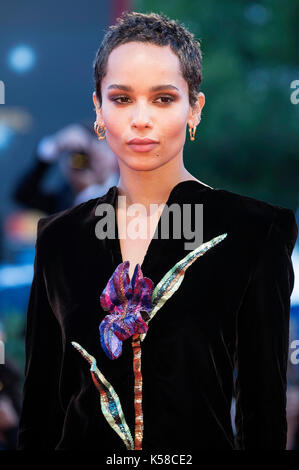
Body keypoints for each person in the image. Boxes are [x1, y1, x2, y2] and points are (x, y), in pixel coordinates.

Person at [17, 11, 298, 451]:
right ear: (98, 107)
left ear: (195, 108)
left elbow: (262, 413)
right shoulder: (60, 237)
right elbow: (40, 412)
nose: (141, 119)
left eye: (163, 98)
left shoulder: (254, 231)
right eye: (122, 98)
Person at [13, 123, 119, 214]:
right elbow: (24, 196)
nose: (87, 163)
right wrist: (54, 146)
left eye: (96, 157)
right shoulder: (65, 199)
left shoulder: (128, 192)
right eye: (77, 157)